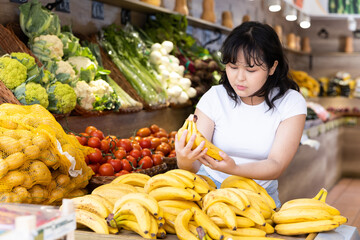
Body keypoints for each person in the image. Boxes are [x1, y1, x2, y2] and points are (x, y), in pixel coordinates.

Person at [175, 21, 307, 207]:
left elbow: (276, 164)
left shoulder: (290, 102)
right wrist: (184, 159)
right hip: (208, 191)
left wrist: (235, 169)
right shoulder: (215, 96)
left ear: (272, 67)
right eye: (233, 66)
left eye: (251, 69)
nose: (239, 78)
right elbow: (194, 166)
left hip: (260, 197)